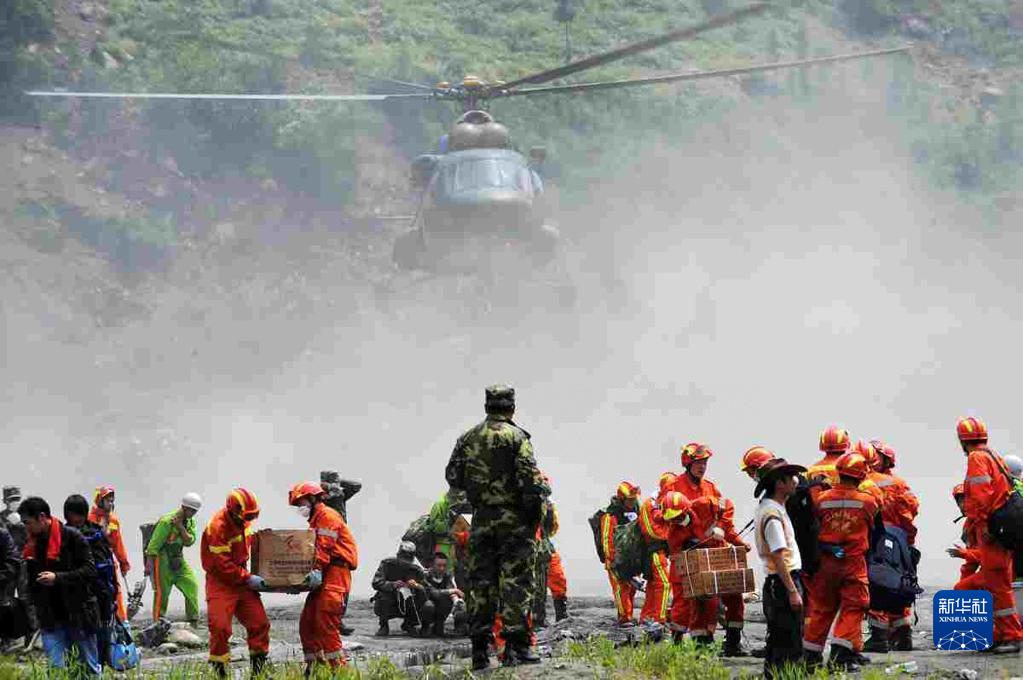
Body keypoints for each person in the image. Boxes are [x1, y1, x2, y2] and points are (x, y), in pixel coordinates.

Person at [445, 384, 549, 669]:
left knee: (481, 584)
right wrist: (532, 516)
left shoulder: (468, 437)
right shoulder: (518, 437)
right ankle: (516, 648)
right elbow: (530, 480)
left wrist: (480, 487)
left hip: (482, 520)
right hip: (514, 522)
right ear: (511, 408)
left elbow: (453, 476)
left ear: (486, 407)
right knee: (516, 582)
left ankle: (480, 650)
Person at [802, 452, 879, 671]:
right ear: (861, 476)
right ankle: (840, 656)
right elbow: (874, 526)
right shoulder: (868, 502)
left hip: (825, 561)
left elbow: (813, 526)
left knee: (821, 607)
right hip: (853, 561)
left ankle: (810, 657)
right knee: (854, 606)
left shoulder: (821, 499)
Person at [672, 443, 750, 656]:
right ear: (688, 463)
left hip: (716, 550)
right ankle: (700, 645)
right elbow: (665, 516)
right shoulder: (675, 487)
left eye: (705, 462)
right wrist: (683, 531)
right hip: (691, 552)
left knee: (734, 594)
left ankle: (733, 642)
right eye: (698, 462)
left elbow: (725, 519)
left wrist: (738, 542)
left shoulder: (711, 487)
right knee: (700, 600)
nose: (702, 466)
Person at [953, 416, 1023, 653]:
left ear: (962, 440)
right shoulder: (993, 455)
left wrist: (982, 525)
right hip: (1001, 530)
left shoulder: (977, 458)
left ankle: (1011, 636)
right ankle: (1001, 635)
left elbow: (981, 496)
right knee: (997, 586)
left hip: (992, 532)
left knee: (998, 587)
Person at [20, 496, 102, 676]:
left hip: (79, 614)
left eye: (28, 523)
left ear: (42, 517)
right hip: (51, 618)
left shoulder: (73, 537)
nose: (26, 528)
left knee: (88, 668)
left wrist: (57, 578)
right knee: (56, 670)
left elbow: (90, 571)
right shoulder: (32, 544)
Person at [201, 488, 270, 678]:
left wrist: (263, 539)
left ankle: (258, 673)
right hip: (221, 582)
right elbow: (222, 566)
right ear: (233, 510)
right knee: (220, 628)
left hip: (241, 579)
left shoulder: (243, 520)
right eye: (246, 517)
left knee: (259, 623)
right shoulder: (217, 527)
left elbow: (244, 543)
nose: (248, 520)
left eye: (251, 517)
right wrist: (248, 578)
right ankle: (221, 673)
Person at [289, 482, 358, 672]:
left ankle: (339, 671)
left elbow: (323, 547)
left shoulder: (327, 516)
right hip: (325, 572)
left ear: (313, 498)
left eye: (301, 502)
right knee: (308, 623)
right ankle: (315, 669)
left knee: (326, 623)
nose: (300, 507)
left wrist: (316, 569)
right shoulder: (316, 519)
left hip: (335, 573)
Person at [859, 440, 920, 653]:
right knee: (900, 585)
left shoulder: (864, 482)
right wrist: (908, 541)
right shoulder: (899, 483)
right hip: (899, 540)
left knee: (876, 585)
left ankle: (879, 636)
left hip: (875, 539)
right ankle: (903, 634)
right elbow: (911, 510)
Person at [753, 459, 807, 679]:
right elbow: (778, 556)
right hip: (783, 583)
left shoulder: (772, 508)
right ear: (779, 484)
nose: (796, 481)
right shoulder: (772, 515)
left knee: (778, 642)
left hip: (779, 583)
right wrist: (792, 590)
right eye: (791, 477)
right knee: (789, 643)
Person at [63, 495, 116, 663]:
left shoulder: (96, 532)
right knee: (79, 634)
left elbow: (108, 561)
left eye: (79, 514)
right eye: (73, 515)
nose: (77, 519)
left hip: (99, 591)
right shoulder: (64, 534)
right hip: (78, 592)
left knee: (100, 632)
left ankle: (98, 664)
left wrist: (113, 590)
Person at [145, 493, 202, 625]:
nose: (193, 513)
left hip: (178, 557)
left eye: (195, 511)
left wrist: (180, 527)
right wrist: (149, 565)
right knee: (162, 592)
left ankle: (193, 618)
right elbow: (153, 546)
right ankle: (158, 622)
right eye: (191, 510)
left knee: (191, 584)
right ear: (184, 507)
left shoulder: (190, 522)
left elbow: (189, 541)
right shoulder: (166, 522)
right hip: (162, 559)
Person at [600, 482, 641, 625]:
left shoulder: (637, 512)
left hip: (632, 559)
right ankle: (625, 618)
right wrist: (613, 560)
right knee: (621, 588)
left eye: (634, 499)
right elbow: (607, 540)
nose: (632, 502)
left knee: (631, 589)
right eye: (630, 500)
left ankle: (626, 615)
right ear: (622, 499)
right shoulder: (610, 515)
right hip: (616, 560)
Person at [88, 487, 130, 622]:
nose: (111, 504)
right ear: (100, 501)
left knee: (116, 592)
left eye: (112, 501)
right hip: (93, 562)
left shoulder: (113, 521)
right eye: (108, 500)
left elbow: (118, 544)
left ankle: (121, 622)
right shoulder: (90, 519)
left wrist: (123, 563)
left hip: (108, 562)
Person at [0, 486, 35, 646]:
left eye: (17, 499)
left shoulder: (26, 517)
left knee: (26, 599)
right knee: (5, 600)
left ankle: (31, 636)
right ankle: (7, 638)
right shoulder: (1, 518)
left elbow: (32, 539)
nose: (15, 502)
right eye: (12, 500)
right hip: (7, 565)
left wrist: (20, 525)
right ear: (5, 501)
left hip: (23, 563)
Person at [371, 541, 428, 637]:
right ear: (398, 555)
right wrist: (392, 585)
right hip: (389, 601)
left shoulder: (417, 570)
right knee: (384, 595)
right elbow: (376, 583)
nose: (405, 561)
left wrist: (416, 586)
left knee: (420, 596)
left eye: (408, 558)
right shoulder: (387, 564)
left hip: (408, 602)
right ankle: (384, 625)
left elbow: (426, 589)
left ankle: (409, 624)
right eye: (404, 557)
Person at [636, 492, 670, 626]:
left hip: (658, 551)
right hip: (655, 551)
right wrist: (669, 537)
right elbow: (650, 531)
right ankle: (659, 619)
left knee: (653, 585)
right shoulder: (649, 504)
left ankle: (647, 616)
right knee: (664, 584)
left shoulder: (662, 503)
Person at [422, 552, 467, 637]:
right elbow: (434, 593)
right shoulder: (425, 576)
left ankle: (441, 625)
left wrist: (457, 601)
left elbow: (450, 590)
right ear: (432, 565)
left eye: (444, 565)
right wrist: (454, 590)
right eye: (439, 565)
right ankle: (426, 627)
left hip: (441, 609)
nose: (442, 568)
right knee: (429, 605)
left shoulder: (447, 575)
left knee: (459, 605)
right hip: (427, 607)